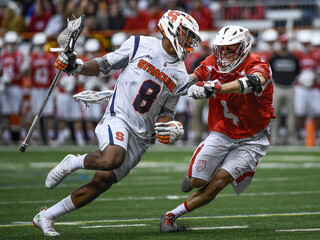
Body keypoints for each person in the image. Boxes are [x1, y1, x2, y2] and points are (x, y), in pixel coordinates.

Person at [32, 9, 201, 237]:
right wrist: (77, 67)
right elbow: (104, 65)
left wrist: (168, 127)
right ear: (170, 29)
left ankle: (46, 216)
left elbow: (166, 111)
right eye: (185, 34)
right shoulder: (140, 44)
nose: (188, 41)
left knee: (102, 182)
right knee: (112, 158)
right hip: (118, 116)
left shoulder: (181, 74)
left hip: (142, 137)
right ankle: (73, 162)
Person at [159, 25, 275, 232]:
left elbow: (250, 83)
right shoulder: (212, 62)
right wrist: (176, 85)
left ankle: (170, 216)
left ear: (243, 47)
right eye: (221, 49)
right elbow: (192, 78)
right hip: (222, 131)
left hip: (252, 138)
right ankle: (193, 178)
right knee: (196, 181)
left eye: (230, 49)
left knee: (219, 181)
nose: (223, 54)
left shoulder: (258, 65)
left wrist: (213, 88)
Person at [269, 34, 300, 145]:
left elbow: (297, 71)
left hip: (290, 87)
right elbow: (270, 72)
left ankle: (291, 139)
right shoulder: (274, 58)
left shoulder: (293, 58)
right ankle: (274, 138)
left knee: (291, 115)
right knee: (274, 114)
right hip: (277, 87)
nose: (284, 45)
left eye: (285, 42)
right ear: (279, 43)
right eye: (282, 42)